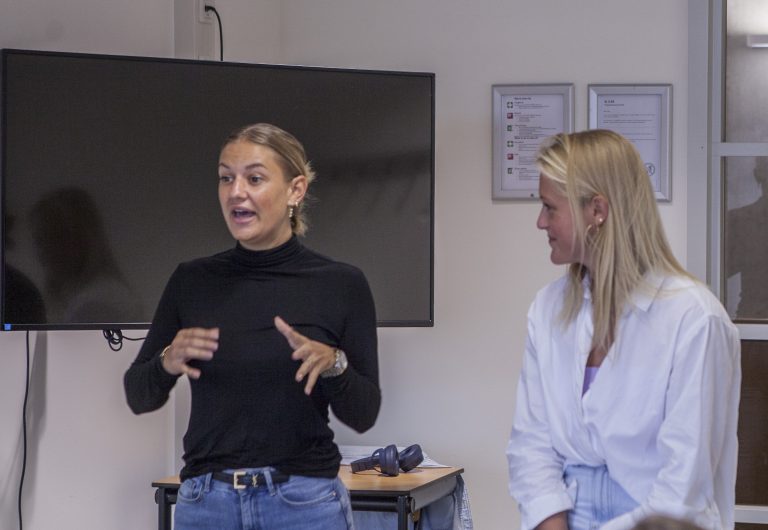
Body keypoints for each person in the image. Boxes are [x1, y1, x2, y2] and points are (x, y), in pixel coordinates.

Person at [124, 123, 381, 529]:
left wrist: (334, 364)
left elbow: (364, 413)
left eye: (254, 179)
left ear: (295, 190)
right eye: (226, 178)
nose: (235, 192)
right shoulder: (191, 280)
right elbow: (138, 394)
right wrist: (167, 361)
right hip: (206, 505)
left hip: (304, 505)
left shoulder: (341, 284)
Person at [506, 130, 741, 530]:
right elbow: (532, 446)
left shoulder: (695, 319)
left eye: (550, 207)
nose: (540, 222)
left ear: (597, 210)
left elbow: (681, 492)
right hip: (564, 513)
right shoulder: (547, 310)